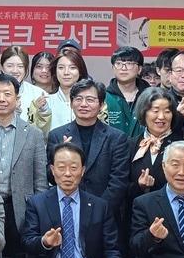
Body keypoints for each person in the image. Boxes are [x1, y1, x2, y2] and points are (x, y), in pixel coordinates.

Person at [0, 73, 48, 256]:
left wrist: (39, 214)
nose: (1, 99)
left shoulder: (34, 134)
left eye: (7, 94)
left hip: (21, 209)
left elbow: (40, 181)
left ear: (17, 99)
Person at [47, 80, 129, 218]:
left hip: (105, 213)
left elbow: (118, 182)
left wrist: (98, 210)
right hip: (67, 210)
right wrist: (61, 154)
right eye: (78, 99)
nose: (83, 104)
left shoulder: (117, 138)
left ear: (101, 105)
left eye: (90, 100)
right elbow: (50, 175)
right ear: (71, 103)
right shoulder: (57, 135)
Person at [120, 88, 184, 232]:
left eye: (167, 111)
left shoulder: (182, 146)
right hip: (137, 220)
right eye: (155, 111)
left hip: (173, 218)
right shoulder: (130, 145)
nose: (161, 117)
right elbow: (120, 186)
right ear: (144, 112)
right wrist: (139, 186)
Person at [0, 45, 49, 131]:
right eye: (10, 66)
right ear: (1, 67)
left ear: (26, 68)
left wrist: (41, 111)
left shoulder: (39, 94)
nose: (15, 71)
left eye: (20, 66)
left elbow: (45, 132)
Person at [103, 46, 148, 139]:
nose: (123, 68)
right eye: (118, 63)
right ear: (113, 68)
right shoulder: (104, 97)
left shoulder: (150, 97)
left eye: (129, 63)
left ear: (139, 69)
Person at [43, 49, 87, 131]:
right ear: (55, 71)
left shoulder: (89, 102)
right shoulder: (46, 102)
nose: (66, 72)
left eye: (72, 68)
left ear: (80, 71)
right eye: (61, 67)